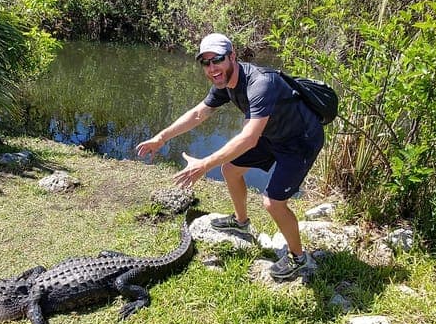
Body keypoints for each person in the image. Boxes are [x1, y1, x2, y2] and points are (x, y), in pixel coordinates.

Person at [135, 33, 325, 281]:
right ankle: (241, 221)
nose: (212, 68)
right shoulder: (224, 83)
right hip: (271, 134)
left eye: (218, 60)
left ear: (232, 56)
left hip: (300, 141)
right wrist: (161, 138)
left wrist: (204, 164)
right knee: (231, 169)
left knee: (273, 202)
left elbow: (249, 138)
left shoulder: (260, 83)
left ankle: (299, 259)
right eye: (206, 62)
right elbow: (198, 114)